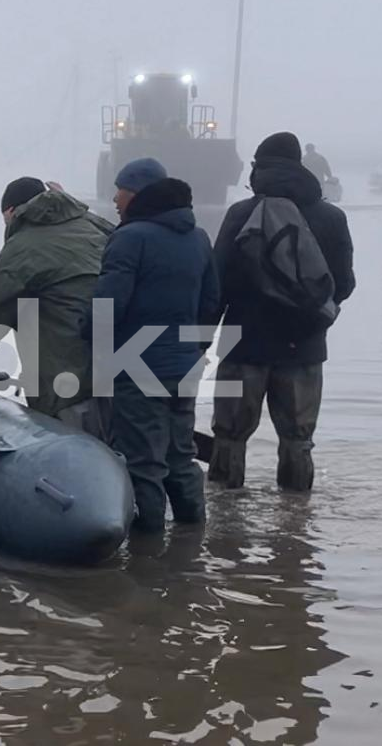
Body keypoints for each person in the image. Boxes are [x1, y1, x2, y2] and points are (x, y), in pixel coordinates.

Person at [210, 132, 356, 491]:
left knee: (229, 437)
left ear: (259, 167)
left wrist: (198, 341)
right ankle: (295, 526)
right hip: (304, 347)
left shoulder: (241, 213)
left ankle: (223, 530)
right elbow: (344, 284)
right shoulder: (331, 217)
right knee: (298, 439)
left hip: (243, 345)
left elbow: (217, 282)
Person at [87, 157, 220, 533]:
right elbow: (212, 302)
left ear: (139, 194)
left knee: (143, 463)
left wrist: (88, 338)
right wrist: (195, 351)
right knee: (181, 458)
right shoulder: (198, 237)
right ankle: (192, 539)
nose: (114, 199)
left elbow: (108, 304)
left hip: (138, 367)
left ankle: (149, 553)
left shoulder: (130, 238)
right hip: (184, 367)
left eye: (121, 191)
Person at [0, 177, 112, 437]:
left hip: (68, 383)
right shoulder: (92, 226)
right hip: (124, 373)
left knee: (72, 459)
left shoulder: (23, 247)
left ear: (11, 212)